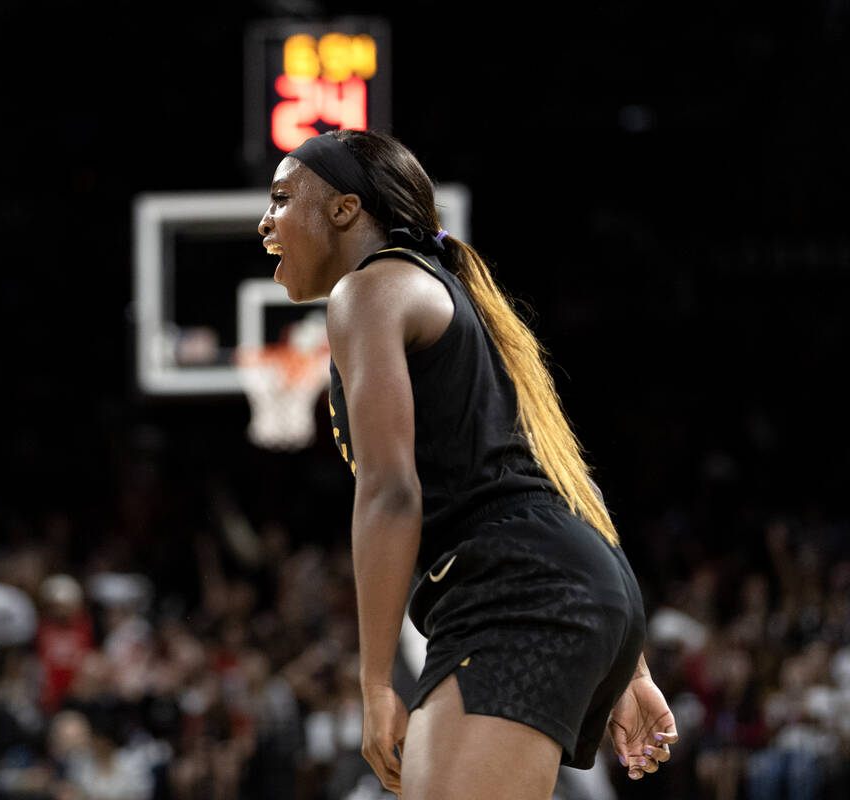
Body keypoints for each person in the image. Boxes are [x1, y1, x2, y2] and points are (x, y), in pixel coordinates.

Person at [257, 130, 678, 799]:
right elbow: (562, 480)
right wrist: (626, 666)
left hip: (516, 590)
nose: (265, 221)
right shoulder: (452, 298)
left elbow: (391, 494)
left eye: (282, 198)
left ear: (342, 209)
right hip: (562, 579)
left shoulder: (368, 292)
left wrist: (372, 686)